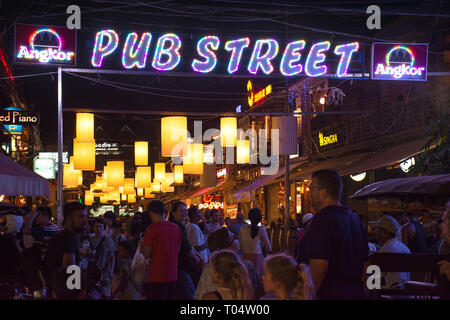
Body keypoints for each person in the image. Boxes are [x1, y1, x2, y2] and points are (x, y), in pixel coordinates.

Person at [296, 169, 368, 300]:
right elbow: (366, 264)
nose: (309, 193)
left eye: (312, 188)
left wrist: (304, 296)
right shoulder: (355, 219)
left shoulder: (322, 220)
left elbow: (319, 268)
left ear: (323, 193)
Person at [194, 227, 263, 300]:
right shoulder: (246, 265)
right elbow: (257, 292)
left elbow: (200, 295)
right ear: (228, 245)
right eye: (235, 238)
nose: (238, 239)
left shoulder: (209, 268)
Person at [44, 202, 88, 294]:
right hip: (63, 292)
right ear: (68, 219)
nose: (85, 220)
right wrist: (77, 293)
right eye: (80, 216)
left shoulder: (61, 236)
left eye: (85, 216)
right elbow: (69, 267)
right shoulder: (69, 237)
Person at [141, 200, 181, 300]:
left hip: (157, 276)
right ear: (165, 212)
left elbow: (146, 254)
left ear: (151, 213)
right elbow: (178, 249)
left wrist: (141, 246)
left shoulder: (151, 229)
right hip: (173, 274)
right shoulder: (176, 228)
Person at [168, 201, 200, 299]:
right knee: (190, 293)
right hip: (180, 266)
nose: (184, 213)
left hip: (175, 266)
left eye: (185, 210)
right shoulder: (177, 227)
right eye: (181, 211)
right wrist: (199, 260)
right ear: (173, 213)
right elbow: (186, 247)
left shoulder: (178, 226)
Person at [369, 215, 411, 289]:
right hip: (404, 289)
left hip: (387, 289)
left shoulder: (385, 250)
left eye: (377, 229)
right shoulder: (405, 248)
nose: (375, 231)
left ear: (385, 232)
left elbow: (376, 280)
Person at [239, 208, 272, 278]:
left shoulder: (242, 229)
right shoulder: (262, 229)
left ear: (249, 218)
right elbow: (269, 248)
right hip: (257, 258)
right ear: (260, 218)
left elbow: (241, 248)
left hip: (245, 258)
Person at [89, 218, 116, 298]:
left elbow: (112, 256)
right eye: (96, 227)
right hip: (91, 272)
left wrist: (111, 270)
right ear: (93, 228)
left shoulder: (107, 240)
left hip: (104, 272)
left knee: (104, 293)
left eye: (100, 227)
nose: (98, 229)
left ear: (103, 228)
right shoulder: (89, 240)